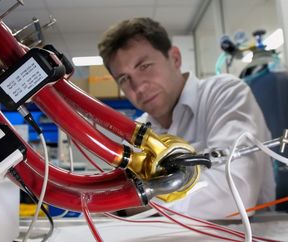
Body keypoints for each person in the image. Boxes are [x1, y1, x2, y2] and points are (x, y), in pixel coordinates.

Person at [98, 17, 275, 219]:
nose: (139, 87)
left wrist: (132, 203)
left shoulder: (226, 94)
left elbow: (235, 193)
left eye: (144, 66)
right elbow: (110, 204)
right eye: (124, 78)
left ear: (175, 58)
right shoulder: (136, 133)